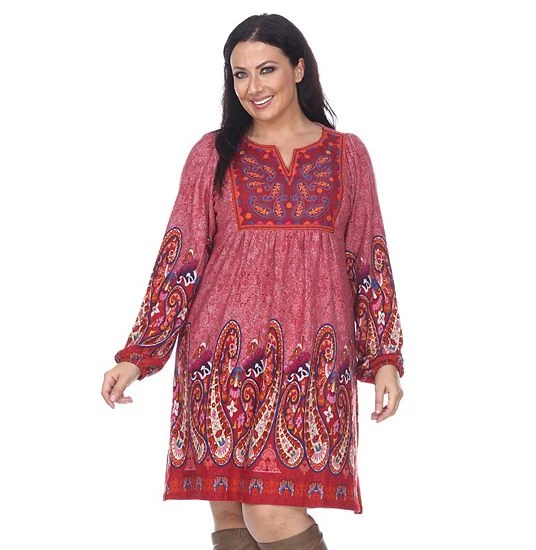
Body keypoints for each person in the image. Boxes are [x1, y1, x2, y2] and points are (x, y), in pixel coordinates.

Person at [101, 12, 405, 550]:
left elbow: (368, 259)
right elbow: (180, 257)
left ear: (299, 69)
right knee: (233, 518)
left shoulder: (347, 155)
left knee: (271, 512)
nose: (253, 87)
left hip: (310, 362)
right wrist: (139, 354)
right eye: (240, 74)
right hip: (220, 358)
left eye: (267, 69)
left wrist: (384, 357)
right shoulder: (213, 153)